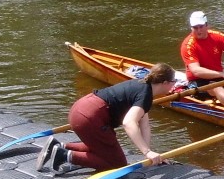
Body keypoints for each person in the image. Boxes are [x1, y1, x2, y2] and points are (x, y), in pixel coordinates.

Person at [37, 63, 177, 172]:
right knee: (116, 163)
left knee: (102, 148)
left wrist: (148, 154)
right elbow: (129, 123)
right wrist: (147, 152)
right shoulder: (145, 95)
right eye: (174, 81)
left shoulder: (141, 85)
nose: (175, 84)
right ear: (165, 82)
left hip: (80, 108)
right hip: (90, 116)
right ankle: (63, 155)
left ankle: (59, 146)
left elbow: (144, 125)